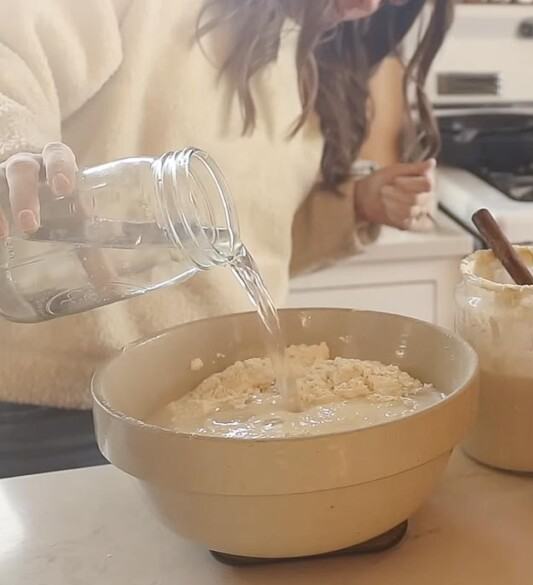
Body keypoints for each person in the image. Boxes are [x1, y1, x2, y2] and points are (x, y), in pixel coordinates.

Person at [0, 0, 453, 477]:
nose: (368, 6)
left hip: (219, 403)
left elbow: (247, 243)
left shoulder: (311, 68)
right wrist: (16, 148)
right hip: (51, 410)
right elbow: (12, 53)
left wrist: (357, 203)